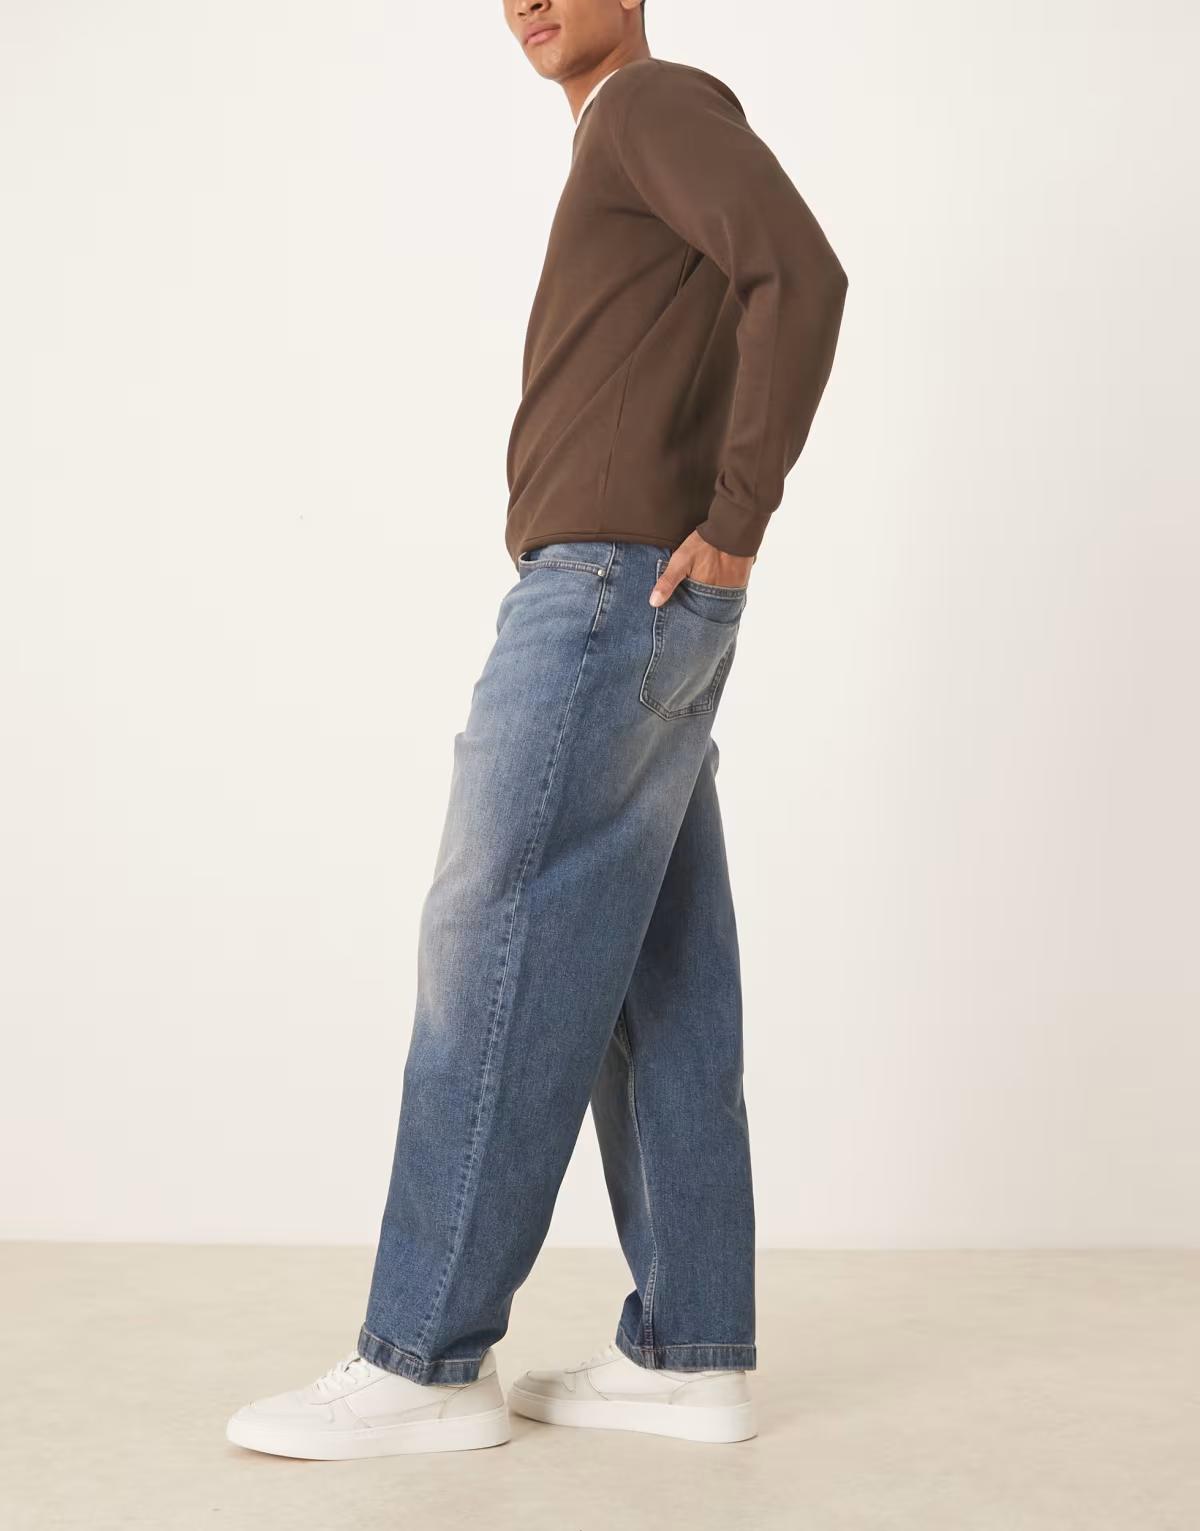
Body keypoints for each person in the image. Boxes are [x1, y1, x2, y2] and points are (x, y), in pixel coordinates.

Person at [226, 0, 847, 1459]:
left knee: (491, 934)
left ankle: (425, 1359)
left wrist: (739, 520)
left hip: (607, 597)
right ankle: (689, 1353)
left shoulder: (647, 105)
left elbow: (803, 271)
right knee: (659, 979)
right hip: (646, 600)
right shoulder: (626, 139)